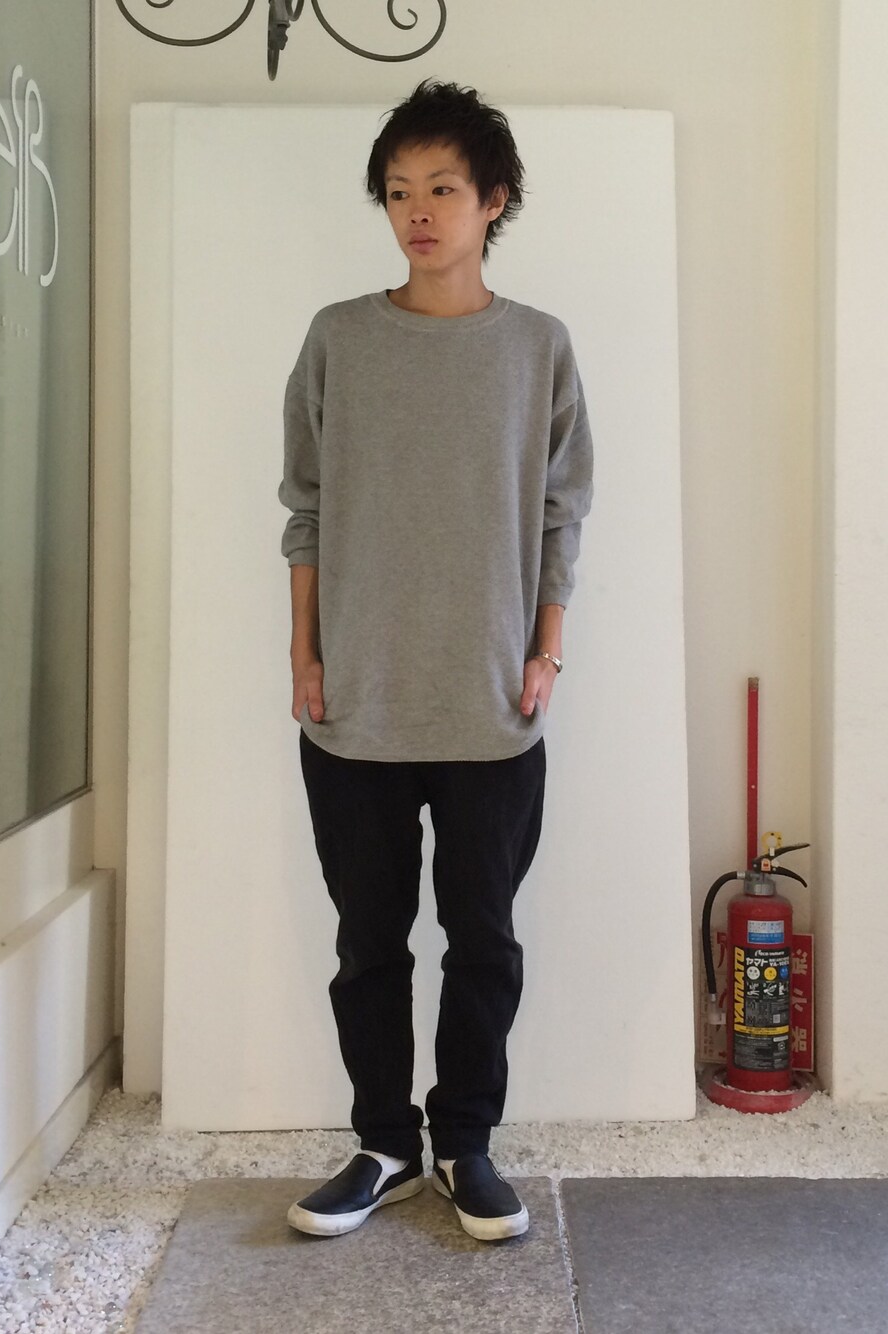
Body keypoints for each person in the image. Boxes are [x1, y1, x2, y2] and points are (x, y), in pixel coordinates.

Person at [277, 80, 593, 1242]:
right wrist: (305, 651)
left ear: (492, 200)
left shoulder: (537, 346)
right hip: (355, 701)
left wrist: (546, 650)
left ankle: (464, 1143)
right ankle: (382, 1144)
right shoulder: (340, 338)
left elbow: (562, 512)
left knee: (483, 940)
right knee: (368, 944)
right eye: (399, 190)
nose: (417, 210)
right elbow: (305, 508)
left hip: (490, 702)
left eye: (442, 189)